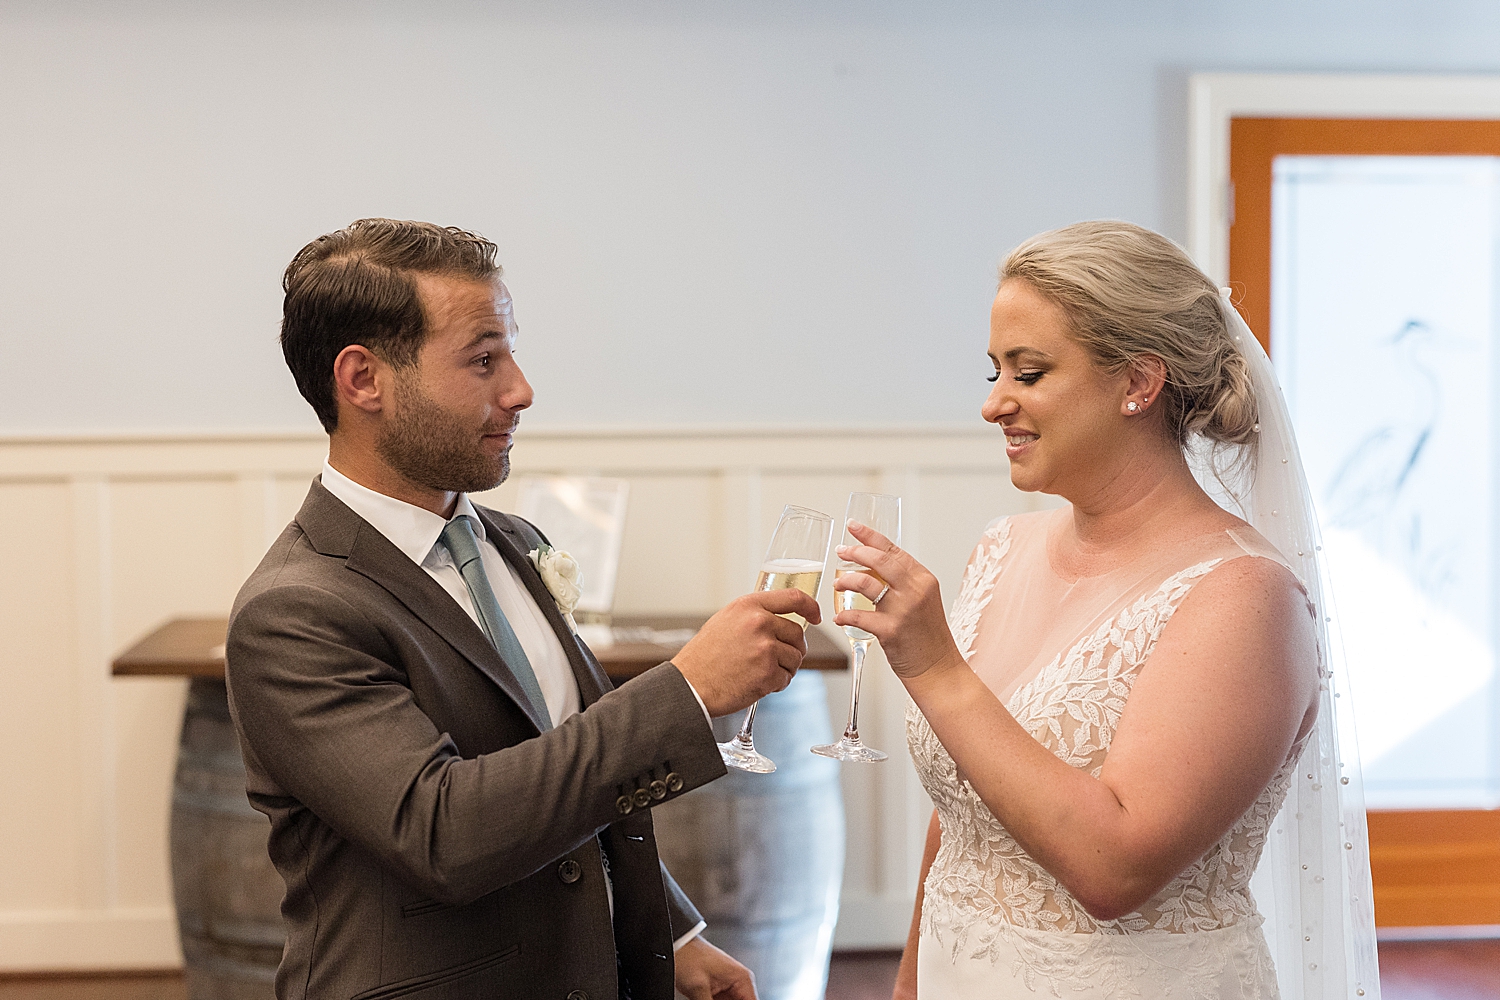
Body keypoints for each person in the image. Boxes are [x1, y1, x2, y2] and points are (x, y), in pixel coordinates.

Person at [225, 218, 820, 1000]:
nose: (521, 389)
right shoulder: (293, 612)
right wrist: (687, 690)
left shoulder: (510, 541)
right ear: (364, 380)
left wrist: (670, 934)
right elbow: (445, 833)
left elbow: (569, 770)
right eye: (482, 359)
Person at [833, 221, 1380, 999]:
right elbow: (964, 814)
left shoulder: (1243, 596)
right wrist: (909, 983)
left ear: (1138, 382)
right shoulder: (1002, 549)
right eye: (994, 372)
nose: (994, 405)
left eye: (1029, 373)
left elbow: (1115, 868)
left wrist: (934, 666)